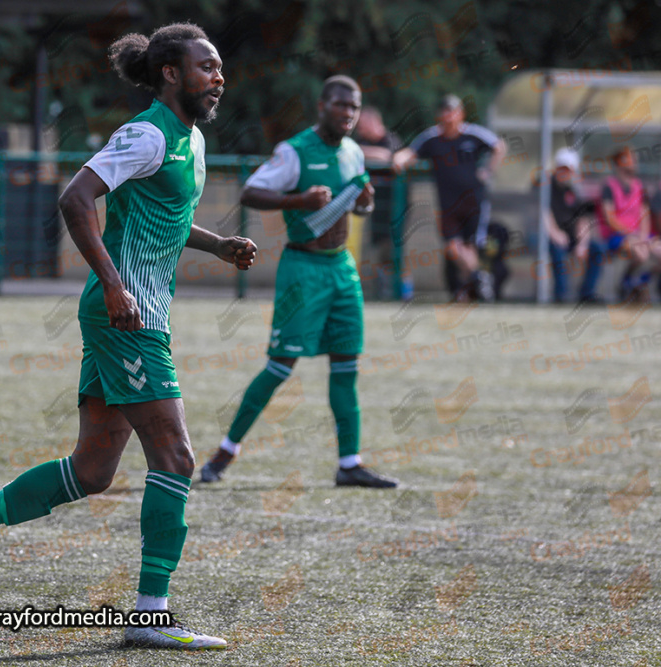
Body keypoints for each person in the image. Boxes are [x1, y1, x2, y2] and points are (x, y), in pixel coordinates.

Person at [0, 24, 257, 650]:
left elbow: (167, 216)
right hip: (127, 318)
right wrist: (113, 285)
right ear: (171, 75)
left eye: (219, 66)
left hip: (137, 313)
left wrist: (220, 245)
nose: (218, 77)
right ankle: (151, 616)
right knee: (177, 458)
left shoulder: (192, 140)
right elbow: (78, 198)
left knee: (93, 471)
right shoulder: (147, 132)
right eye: (206, 67)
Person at [199, 75, 398, 489]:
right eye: (340, 105)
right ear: (322, 106)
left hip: (342, 269)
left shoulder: (352, 151)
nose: (348, 113)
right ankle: (225, 452)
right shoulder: (294, 151)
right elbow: (250, 193)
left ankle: (349, 463)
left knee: (346, 367)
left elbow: (361, 207)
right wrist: (298, 200)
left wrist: (364, 203)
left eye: (354, 107)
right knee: (279, 366)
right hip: (302, 269)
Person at [393, 95, 506, 302]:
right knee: (453, 248)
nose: (449, 117)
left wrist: (488, 171)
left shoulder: (473, 134)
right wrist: (398, 159)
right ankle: (479, 278)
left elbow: (499, 146)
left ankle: (467, 292)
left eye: (453, 112)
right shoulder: (432, 138)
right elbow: (410, 153)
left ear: (460, 114)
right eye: (445, 112)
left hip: (474, 202)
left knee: (470, 247)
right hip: (447, 205)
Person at [537, 148, 603, 303]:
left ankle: (587, 293)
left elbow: (583, 219)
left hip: (570, 238)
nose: (565, 173)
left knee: (597, 250)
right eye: (562, 168)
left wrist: (582, 243)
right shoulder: (545, 186)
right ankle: (561, 295)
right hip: (548, 236)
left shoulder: (575, 190)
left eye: (569, 170)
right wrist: (554, 233)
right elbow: (542, 212)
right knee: (557, 248)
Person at [353, 106, 405, 299]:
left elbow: (387, 156)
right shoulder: (362, 141)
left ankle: (401, 291)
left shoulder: (390, 139)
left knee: (393, 249)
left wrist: (358, 150)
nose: (360, 130)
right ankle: (382, 290)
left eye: (363, 125)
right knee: (377, 247)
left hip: (395, 207)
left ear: (374, 122)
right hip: (372, 208)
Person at [597, 146, 659, 301]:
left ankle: (634, 282)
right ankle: (627, 281)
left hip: (637, 235)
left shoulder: (639, 186)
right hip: (616, 236)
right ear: (620, 163)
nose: (634, 162)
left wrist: (643, 236)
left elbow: (644, 215)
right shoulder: (609, 186)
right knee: (641, 253)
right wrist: (632, 234)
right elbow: (610, 218)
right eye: (630, 159)